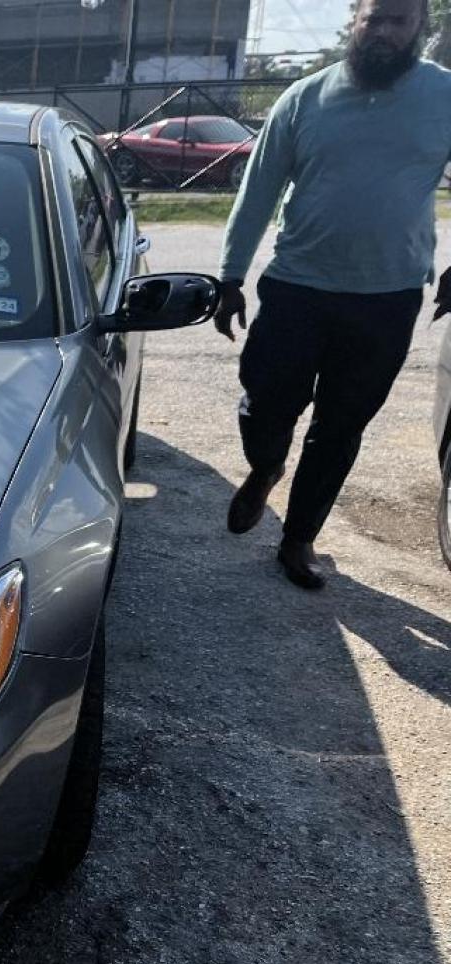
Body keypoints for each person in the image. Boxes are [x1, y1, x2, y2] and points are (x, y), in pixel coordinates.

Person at [214, 0, 451, 589]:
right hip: (298, 288)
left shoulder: (444, 96)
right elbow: (259, 190)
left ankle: (298, 539)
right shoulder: (304, 99)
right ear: (354, 23)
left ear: (420, 28)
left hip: (387, 297)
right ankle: (267, 465)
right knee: (265, 402)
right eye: (374, 19)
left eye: (399, 21)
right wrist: (230, 276)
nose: (385, 32)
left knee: (341, 426)